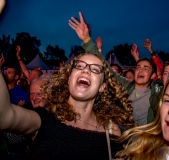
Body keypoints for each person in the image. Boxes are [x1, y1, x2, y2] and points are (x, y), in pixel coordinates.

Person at [0, 52, 135, 159]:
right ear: (69, 78)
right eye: (79, 66)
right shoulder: (44, 118)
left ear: (102, 87)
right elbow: (4, 116)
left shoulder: (111, 130)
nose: (86, 71)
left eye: (95, 70)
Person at [69, 12, 163, 126]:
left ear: (153, 75)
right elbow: (105, 66)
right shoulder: (125, 86)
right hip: (123, 140)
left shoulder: (157, 91)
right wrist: (87, 40)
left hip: (147, 141)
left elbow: (166, 73)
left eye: (146, 68)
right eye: (138, 67)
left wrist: (151, 52)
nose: (140, 70)